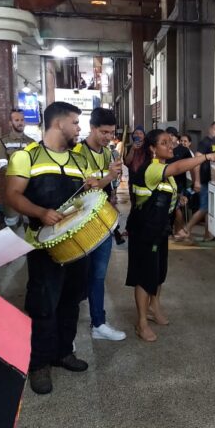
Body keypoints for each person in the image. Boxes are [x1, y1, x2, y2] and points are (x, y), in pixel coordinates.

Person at [6, 102, 111, 395]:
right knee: (42, 305)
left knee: (71, 301)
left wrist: (94, 185)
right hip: (43, 248)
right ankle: (38, 363)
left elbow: (86, 196)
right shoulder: (26, 157)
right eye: (76, 122)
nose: (79, 128)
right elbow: (12, 195)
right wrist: (40, 212)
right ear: (58, 124)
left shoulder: (80, 161)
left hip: (77, 247)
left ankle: (63, 352)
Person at [125, 129, 215, 342]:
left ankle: (154, 307)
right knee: (144, 276)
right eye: (164, 143)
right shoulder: (151, 168)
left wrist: (177, 199)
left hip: (159, 230)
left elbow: (162, 193)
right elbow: (177, 167)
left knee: (159, 272)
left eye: (171, 142)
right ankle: (141, 322)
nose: (171, 146)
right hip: (144, 231)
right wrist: (203, 157)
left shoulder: (160, 169)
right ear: (152, 148)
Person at [72, 107, 126, 341]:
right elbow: (82, 189)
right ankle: (68, 334)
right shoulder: (77, 153)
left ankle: (98, 323)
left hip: (103, 223)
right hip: (80, 225)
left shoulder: (108, 153)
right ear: (92, 128)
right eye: (103, 132)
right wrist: (108, 177)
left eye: (111, 132)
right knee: (76, 278)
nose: (107, 137)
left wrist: (112, 187)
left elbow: (104, 188)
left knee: (98, 275)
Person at [0, 109, 36, 227]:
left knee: (30, 225)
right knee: (11, 224)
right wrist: (18, 176)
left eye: (22, 120)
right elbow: (2, 165)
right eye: (17, 120)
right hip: (11, 191)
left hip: (30, 192)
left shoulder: (32, 142)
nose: (20, 123)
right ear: (10, 123)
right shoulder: (3, 142)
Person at [184, 121, 215, 241]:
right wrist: (197, 181)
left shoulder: (212, 143)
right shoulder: (205, 142)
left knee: (208, 209)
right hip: (203, 180)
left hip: (209, 180)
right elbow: (197, 160)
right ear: (210, 129)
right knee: (204, 208)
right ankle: (185, 230)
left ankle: (207, 234)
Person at [167, 130, 198, 240]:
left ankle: (178, 231)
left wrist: (196, 182)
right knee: (171, 208)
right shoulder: (166, 150)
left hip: (179, 185)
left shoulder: (184, 150)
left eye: (172, 136)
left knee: (176, 208)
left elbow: (193, 166)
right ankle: (174, 231)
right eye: (168, 136)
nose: (170, 138)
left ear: (176, 138)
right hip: (167, 184)